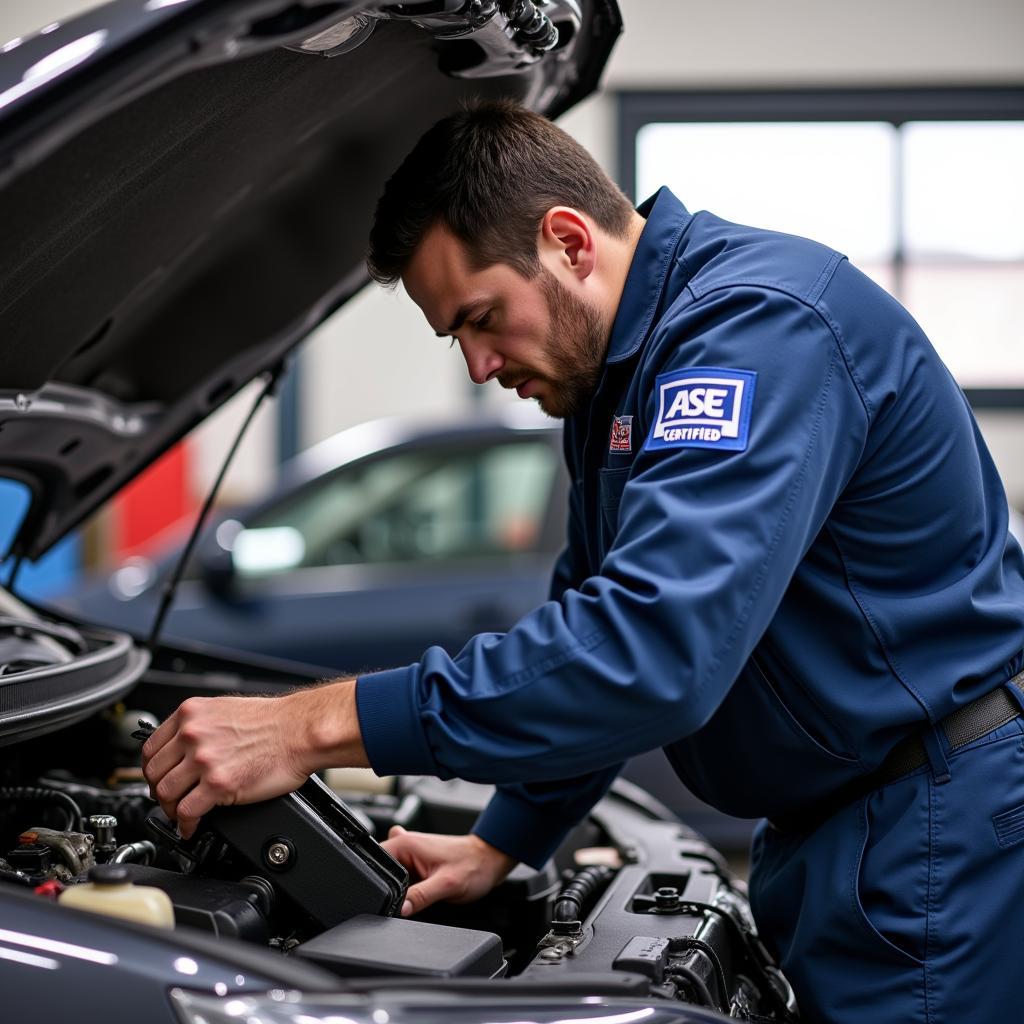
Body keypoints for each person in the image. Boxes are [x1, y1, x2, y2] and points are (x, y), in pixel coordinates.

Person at [142, 100, 1024, 1023]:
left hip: (929, 831)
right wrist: (505, 839)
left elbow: (649, 651)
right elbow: (591, 617)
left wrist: (308, 726)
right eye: (457, 339)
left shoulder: (757, 330)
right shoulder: (616, 379)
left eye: (483, 318)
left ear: (568, 241)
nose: (480, 367)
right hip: (837, 827)